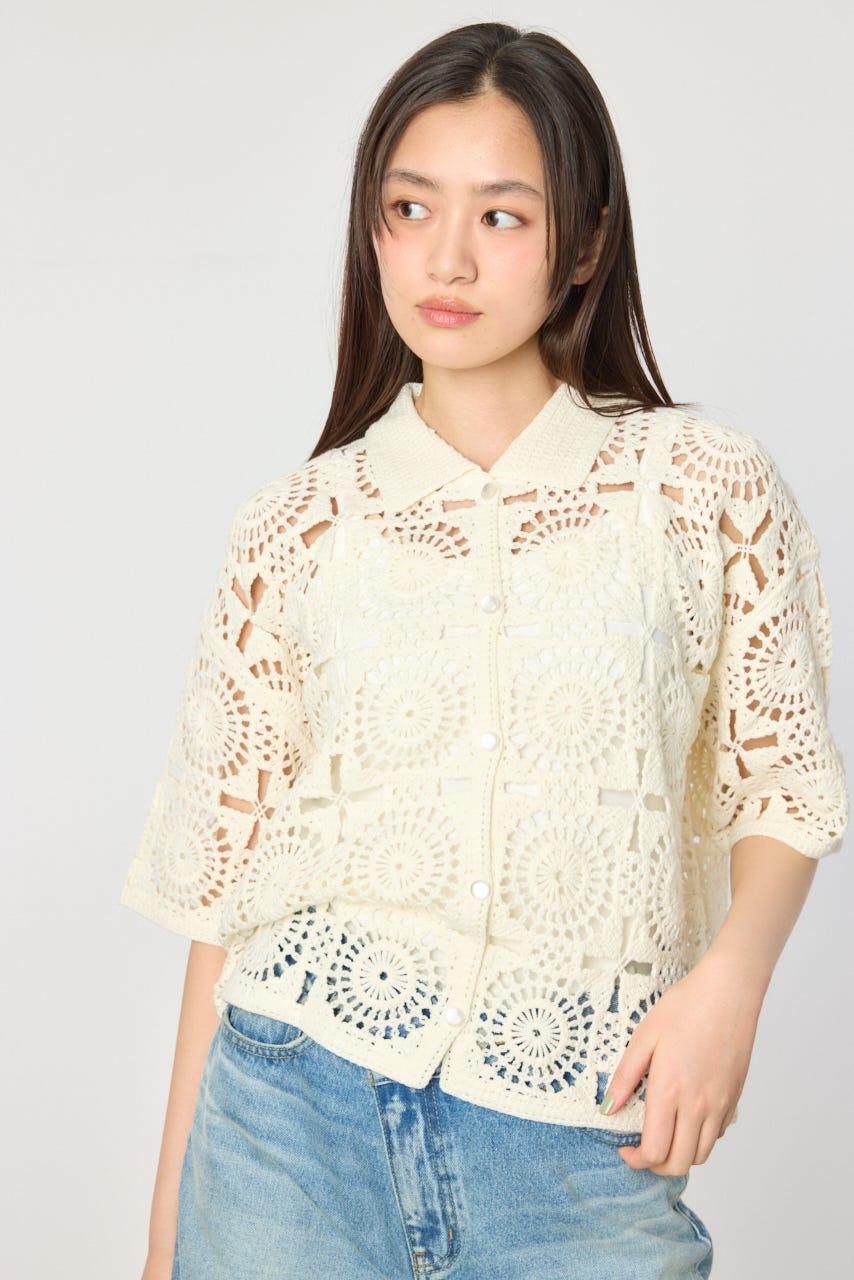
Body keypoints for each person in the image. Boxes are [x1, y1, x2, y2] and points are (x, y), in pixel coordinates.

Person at [120, 21, 849, 1280]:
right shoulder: (296, 527)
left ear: (584, 244)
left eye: (501, 216)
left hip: (575, 1148)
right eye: (410, 208)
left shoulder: (699, 485)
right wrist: (167, 1232)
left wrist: (731, 985)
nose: (445, 258)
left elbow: (781, 776)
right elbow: (227, 894)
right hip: (287, 1119)